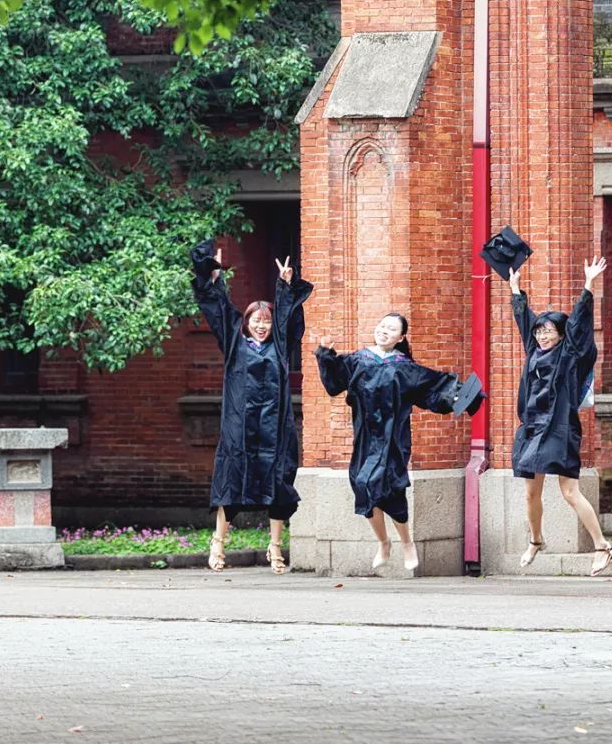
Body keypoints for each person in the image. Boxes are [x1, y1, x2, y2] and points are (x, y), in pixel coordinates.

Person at [316, 314, 483, 573]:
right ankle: (384, 543)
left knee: (392, 490)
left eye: (391, 329)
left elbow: (433, 386)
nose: (384, 330)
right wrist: (326, 354)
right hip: (366, 437)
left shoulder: (405, 367)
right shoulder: (358, 360)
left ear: (401, 338)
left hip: (394, 438)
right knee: (362, 485)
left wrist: (464, 395)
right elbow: (334, 383)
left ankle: (407, 544)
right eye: (382, 325)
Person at [191, 239, 311, 574]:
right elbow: (218, 308)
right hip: (239, 427)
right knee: (231, 482)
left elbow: (289, 319)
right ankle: (218, 544)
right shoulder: (234, 344)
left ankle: (275, 548)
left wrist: (285, 286)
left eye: (266, 321)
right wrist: (213, 274)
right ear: (246, 322)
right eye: (255, 320)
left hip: (274, 429)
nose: (261, 325)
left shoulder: (280, 346)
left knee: (276, 486)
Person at [508, 254, 612, 577]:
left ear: (560, 334)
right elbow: (524, 322)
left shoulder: (569, 354)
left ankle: (602, 546)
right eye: (540, 332)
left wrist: (588, 285)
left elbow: (581, 324)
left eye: (549, 331)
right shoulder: (534, 351)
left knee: (569, 491)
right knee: (531, 491)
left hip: (558, 428)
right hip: (532, 428)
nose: (543, 336)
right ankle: (536, 539)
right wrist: (516, 290)